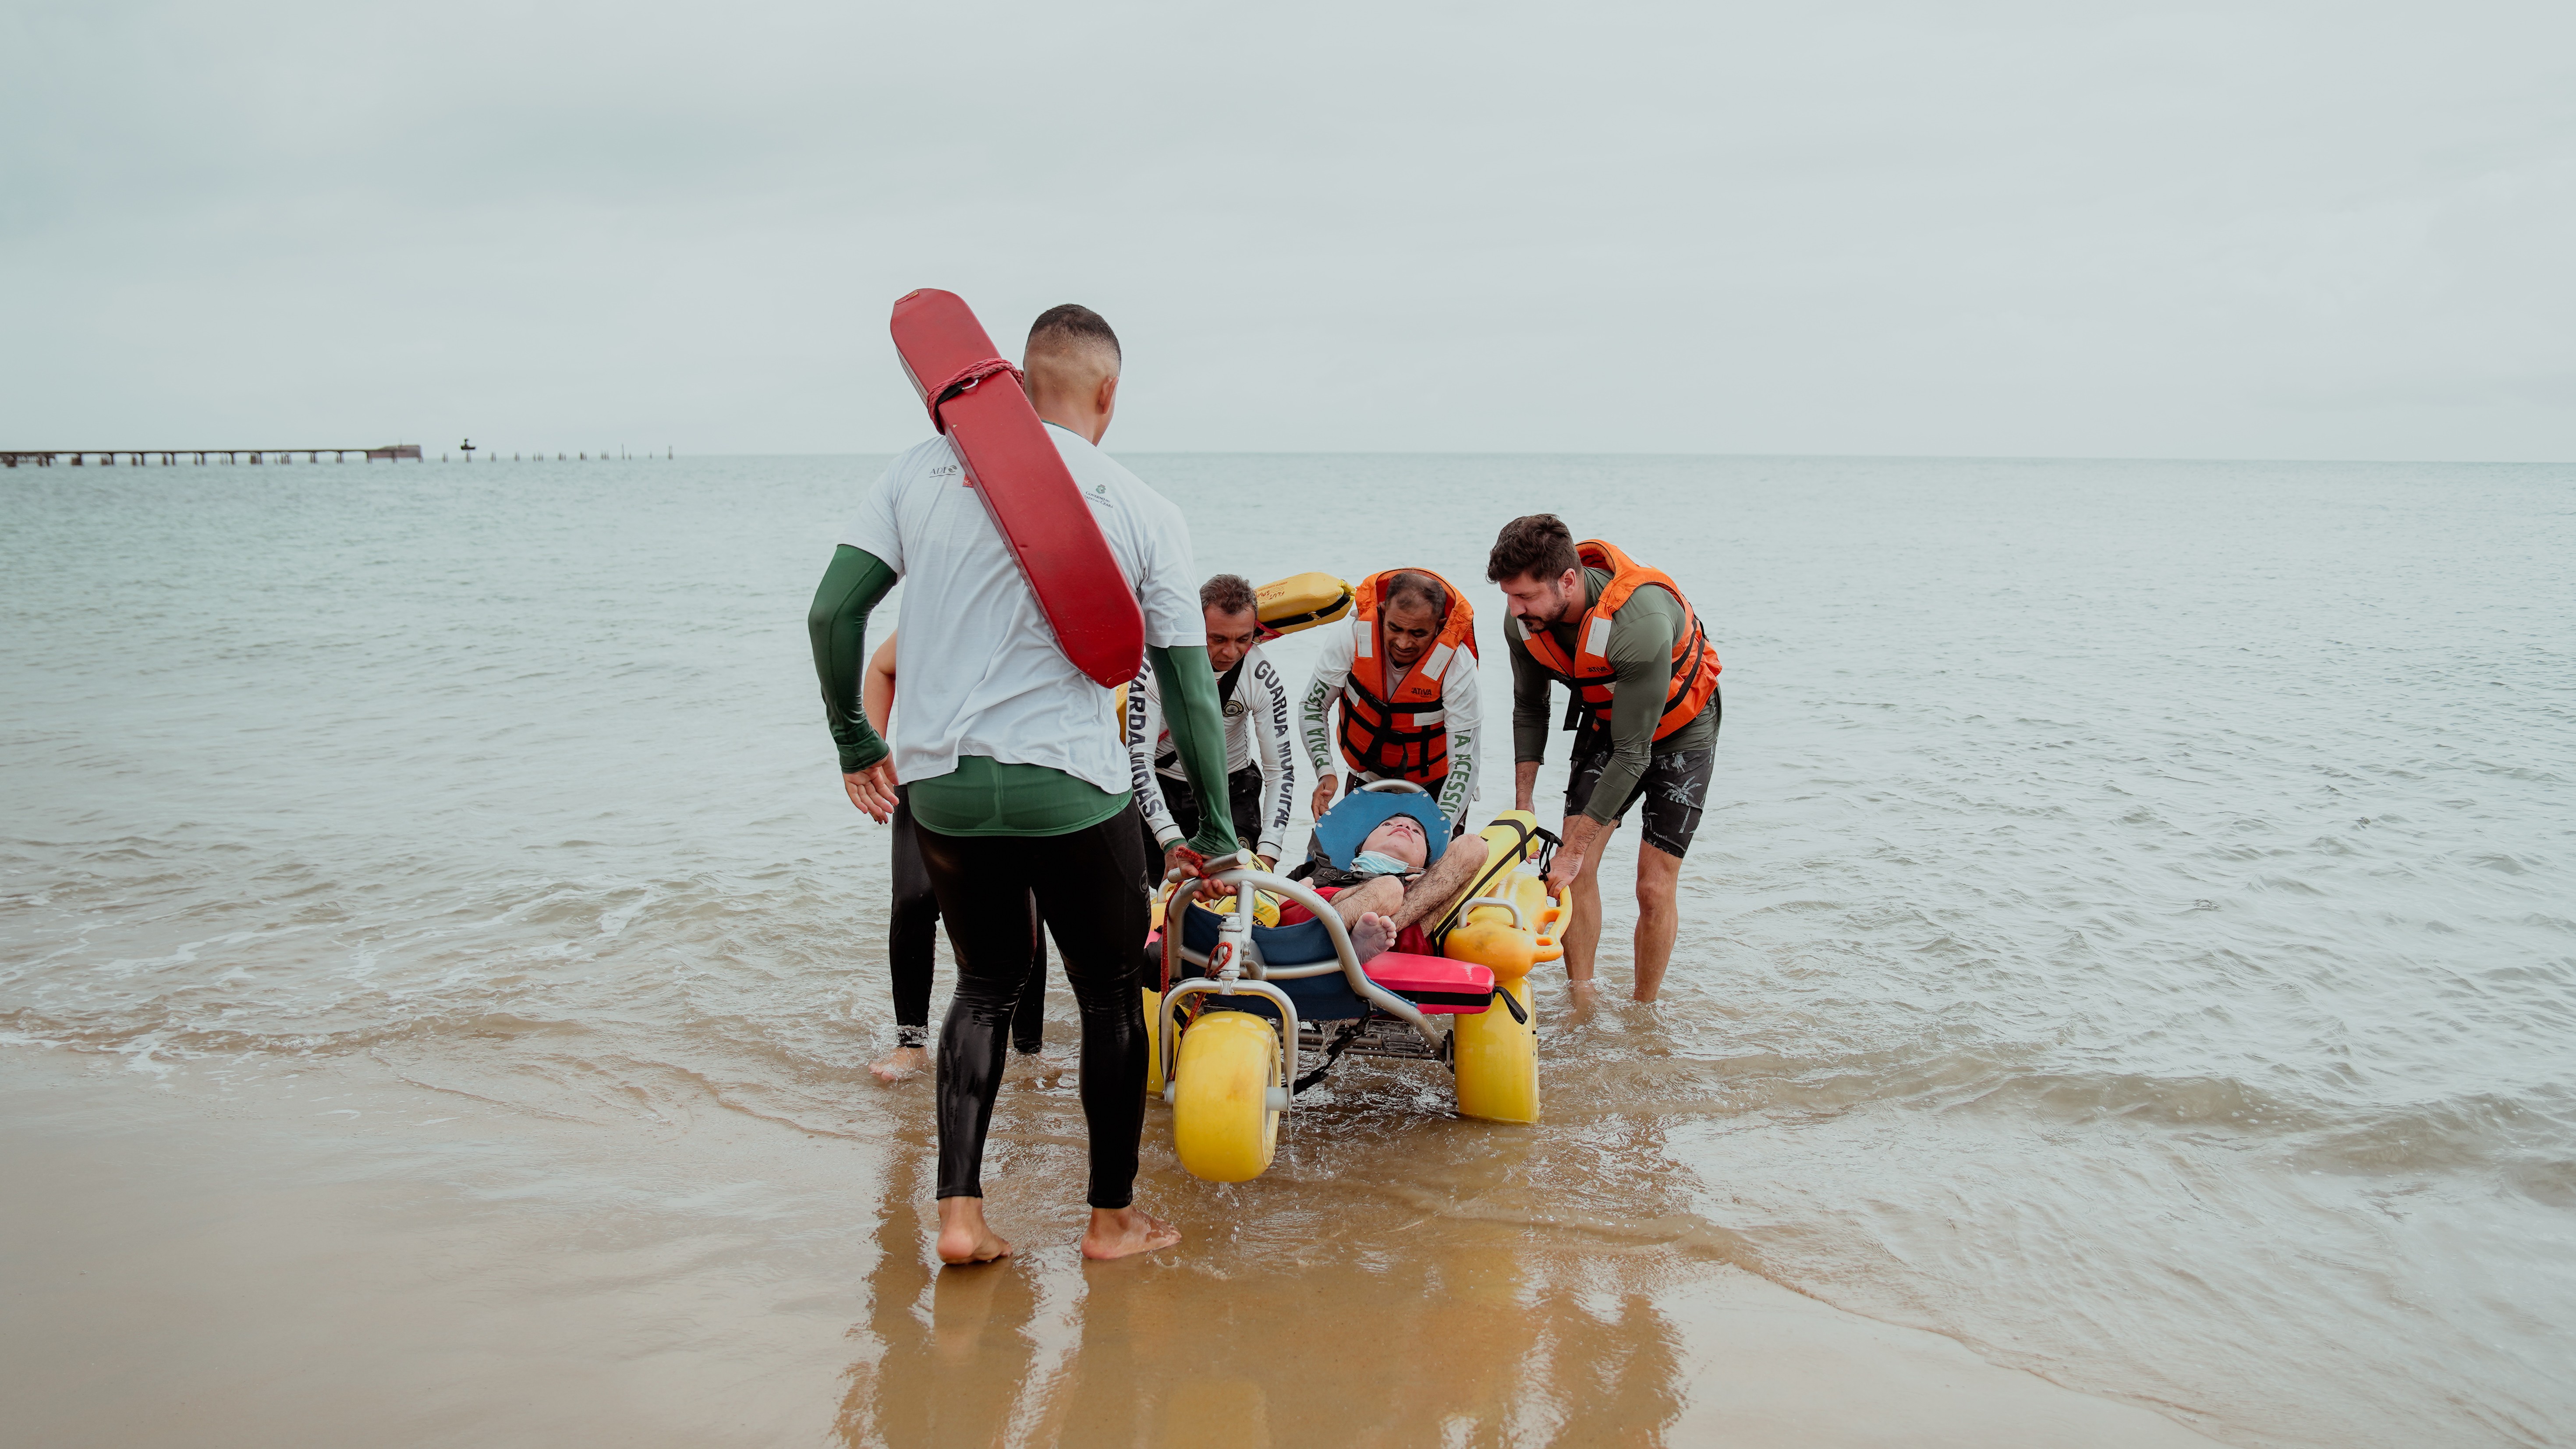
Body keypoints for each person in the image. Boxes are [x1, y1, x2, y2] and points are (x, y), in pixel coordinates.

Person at [808, 303, 1238, 1264]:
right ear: (1107, 393)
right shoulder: (1142, 506)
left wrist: (851, 737)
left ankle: (959, 1218)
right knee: (1106, 995)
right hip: (1069, 787)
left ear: (1015, 376)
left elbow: (832, 615)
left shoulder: (917, 471)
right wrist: (1213, 824)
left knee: (983, 984)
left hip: (942, 789)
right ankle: (1110, 1220)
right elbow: (1187, 689)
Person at [1488, 514, 1721, 1004]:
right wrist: (1524, 802)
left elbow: (1634, 754)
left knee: (1652, 886)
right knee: (1571, 875)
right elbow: (1529, 707)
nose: (1514, 609)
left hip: (1681, 732)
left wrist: (1573, 849)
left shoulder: (1639, 624)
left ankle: (1643, 1011)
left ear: (1567, 581)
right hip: (1607, 722)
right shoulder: (1523, 624)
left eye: (1525, 596)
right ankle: (1582, 999)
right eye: (1509, 596)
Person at [861, 631, 1048, 1083]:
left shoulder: (1024, 611)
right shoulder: (936, 612)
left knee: (1022, 905)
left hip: (1012, 770)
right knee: (913, 900)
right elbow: (882, 668)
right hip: (925, 772)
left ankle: (1028, 1050)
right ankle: (911, 1044)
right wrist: (869, 748)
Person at [1127, 574, 1297, 883]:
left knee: (1237, 890)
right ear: (1195, 627)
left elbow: (1279, 770)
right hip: (1163, 790)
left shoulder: (1260, 675)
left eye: (1243, 640)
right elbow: (1138, 762)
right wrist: (1168, 838)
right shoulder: (1152, 668)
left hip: (1233, 789)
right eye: (1217, 639)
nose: (1231, 653)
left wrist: (1269, 853)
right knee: (1161, 894)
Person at [1297, 568, 1482, 834]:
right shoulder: (1352, 635)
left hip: (1437, 786)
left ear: (1439, 626)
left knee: (1435, 856)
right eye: (1395, 628)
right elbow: (1313, 705)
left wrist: (1440, 829)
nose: (1404, 643)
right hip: (1367, 778)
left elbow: (1465, 762)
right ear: (1382, 612)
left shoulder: (1458, 665)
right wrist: (1325, 770)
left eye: (1418, 633)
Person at [1297, 794, 1490, 963]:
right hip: (1315, 924)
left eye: (1416, 832)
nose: (1404, 826)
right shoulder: (1319, 869)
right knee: (1388, 888)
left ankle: (1370, 939)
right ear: (1362, 847)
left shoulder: (1429, 889)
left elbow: (1470, 852)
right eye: (1388, 825)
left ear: (1425, 865)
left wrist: (1426, 884)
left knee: (1474, 845)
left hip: (1396, 935)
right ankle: (1340, 946)